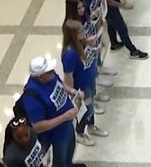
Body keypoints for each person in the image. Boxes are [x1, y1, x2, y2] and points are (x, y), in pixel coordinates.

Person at [22, 56, 83, 167]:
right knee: (61, 159)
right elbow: (38, 126)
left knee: (70, 150)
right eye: (48, 71)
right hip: (56, 134)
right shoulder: (32, 97)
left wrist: (73, 91)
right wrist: (65, 117)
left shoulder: (50, 76)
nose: (52, 72)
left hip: (67, 125)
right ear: (40, 77)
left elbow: (59, 83)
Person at [61, 17, 109, 146]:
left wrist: (95, 47)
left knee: (91, 106)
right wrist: (74, 95)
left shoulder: (82, 43)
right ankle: (80, 132)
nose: (85, 32)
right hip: (81, 88)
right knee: (86, 110)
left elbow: (87, 54)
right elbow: (68, 77)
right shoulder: (70, 55)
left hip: (89, 80)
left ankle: (91, 126)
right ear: (73, 35)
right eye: (81, 31)